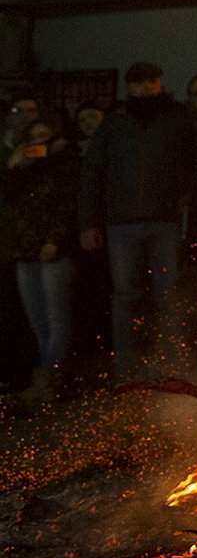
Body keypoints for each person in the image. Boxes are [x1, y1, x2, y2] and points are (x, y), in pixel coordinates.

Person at [78, 62, 194, 376]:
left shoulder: (177, 118)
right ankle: (127, 365)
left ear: (159, 83)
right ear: (129, 87)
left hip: (162, 219)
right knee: (127, 295)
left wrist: (186, 196)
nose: (146, 88)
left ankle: (168, 361)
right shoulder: (114, 123)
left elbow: (193, 161)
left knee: (165, 293)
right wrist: (88, 223)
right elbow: (92, 173)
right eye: (139, 83)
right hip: (125, 221)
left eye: (151, 81)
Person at [8, 117, 79, 400]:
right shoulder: (25, 170)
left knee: (56, 316)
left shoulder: (64, 165)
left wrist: (54, 239)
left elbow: (66, 203)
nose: (38, 142)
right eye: (33, 137)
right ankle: (47, 377)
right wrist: (14, 166)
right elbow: (13, 203)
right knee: (38, 320)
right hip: (25, 249)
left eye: (44, 136)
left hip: (55, 250)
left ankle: (50, 377)